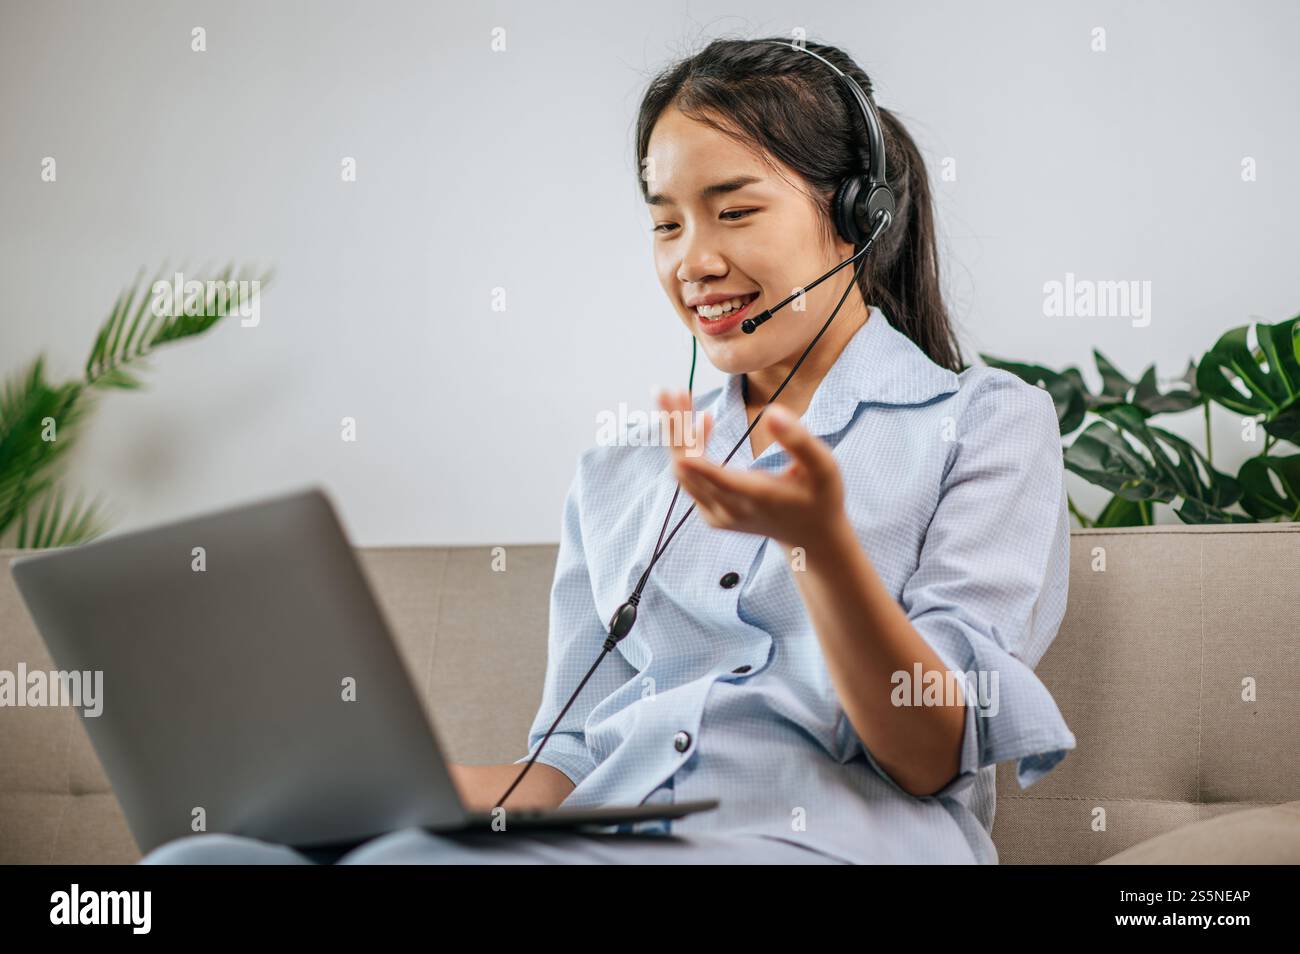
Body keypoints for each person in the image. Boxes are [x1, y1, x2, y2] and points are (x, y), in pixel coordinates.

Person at [140, 35, 1075, 866]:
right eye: (665, 222)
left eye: (734, 211)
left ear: (857, 215)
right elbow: (570, 766)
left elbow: (927, 752)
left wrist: (819, 546)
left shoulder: (985, 424)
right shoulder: (622, 472)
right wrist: (364, 785)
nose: (691, 260)